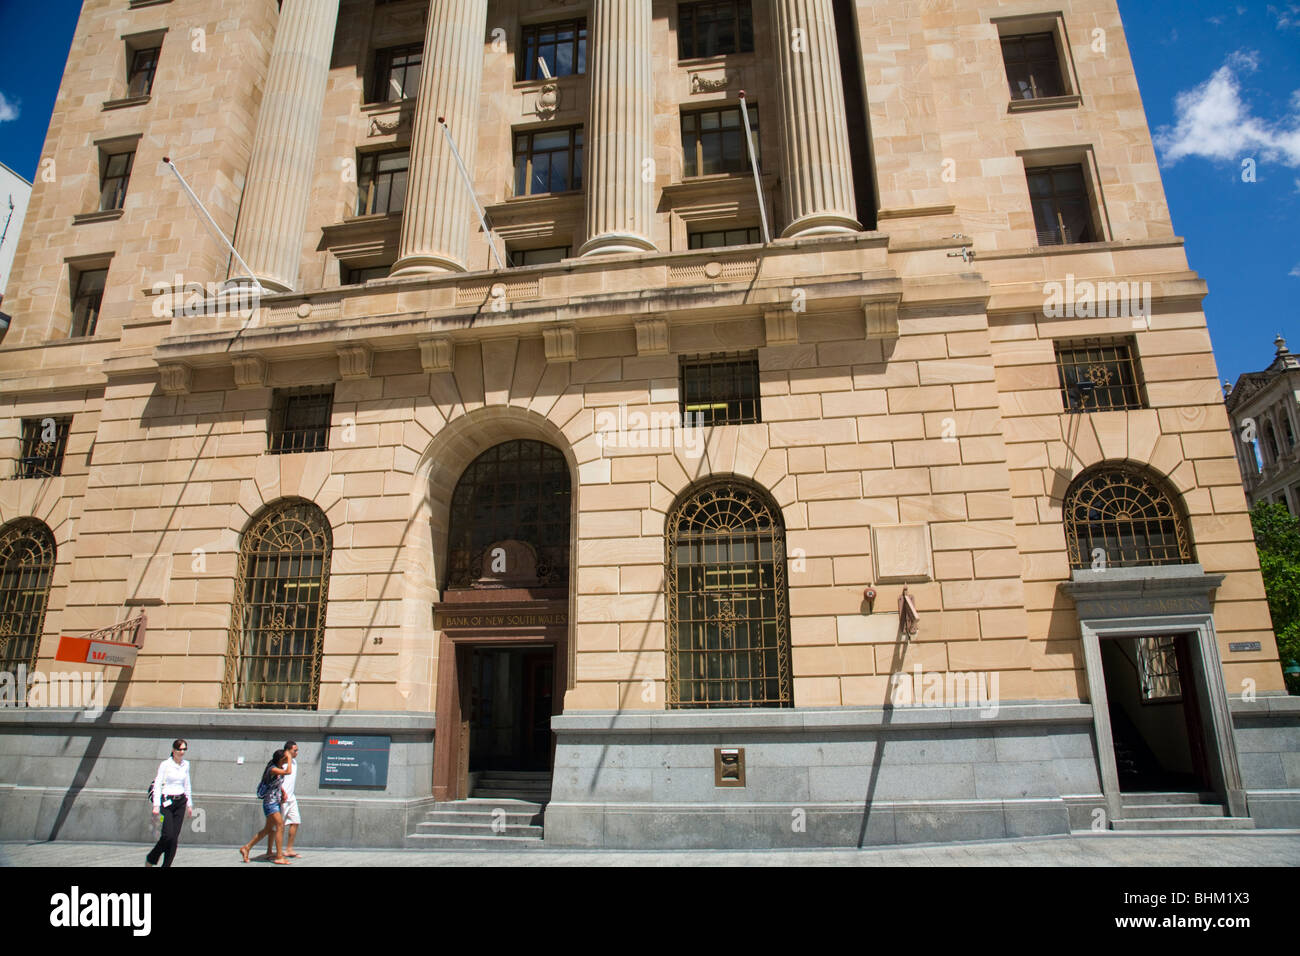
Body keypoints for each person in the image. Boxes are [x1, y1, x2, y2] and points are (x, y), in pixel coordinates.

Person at [239, 748, 293, 864]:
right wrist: (289, 758)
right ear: (281, 759)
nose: (287, 760)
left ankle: (246, 848)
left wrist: (282, 791)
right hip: (270, 803)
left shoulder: (277, 769)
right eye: (285, 758)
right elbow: (288, 772)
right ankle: (279, 856)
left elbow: (275, 783)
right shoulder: (273, 769)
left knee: (268, 829)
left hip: (275, 802)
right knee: (280, 826)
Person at [146, 739, 193, 867]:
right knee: (167, 835)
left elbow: (187, 784)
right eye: (180, 749)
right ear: (173, 750)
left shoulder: (186, 765)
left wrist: (189, 804)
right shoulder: (165, 765)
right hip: (166, 801)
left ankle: (166, 865)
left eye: (184, 749)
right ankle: (151, 857)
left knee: (174, 839)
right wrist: (156, 805)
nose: (182, 752)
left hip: (180, 802)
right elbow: (157, 785)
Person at [265, 740, 301, 859]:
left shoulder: (294, 762)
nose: (297, 752)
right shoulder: (282, 762)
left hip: (292, 797)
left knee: (295, 821)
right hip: (281, 798)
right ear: (288, 751)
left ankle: (289, 849)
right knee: (277, 826)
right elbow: (278, 780)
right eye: (294, 750)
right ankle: (270, 851)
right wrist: (282, 793)